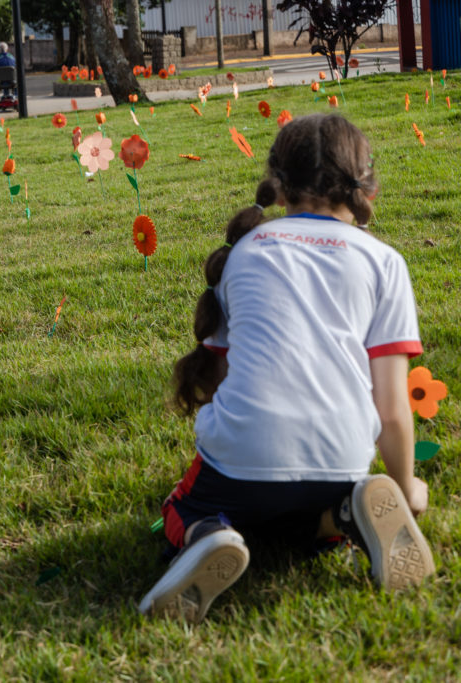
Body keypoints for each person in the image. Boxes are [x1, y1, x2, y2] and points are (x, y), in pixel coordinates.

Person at [138, 114, 435, 623]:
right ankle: (347, 512)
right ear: (366, 183)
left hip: (239, 462)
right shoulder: (384, 262)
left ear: (278, 184)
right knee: (310, 515)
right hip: (339, 459)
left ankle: (209, 532)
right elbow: (391, 407)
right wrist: (406, 490)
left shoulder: (247, 250)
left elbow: (226, 374)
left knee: (182, 508)